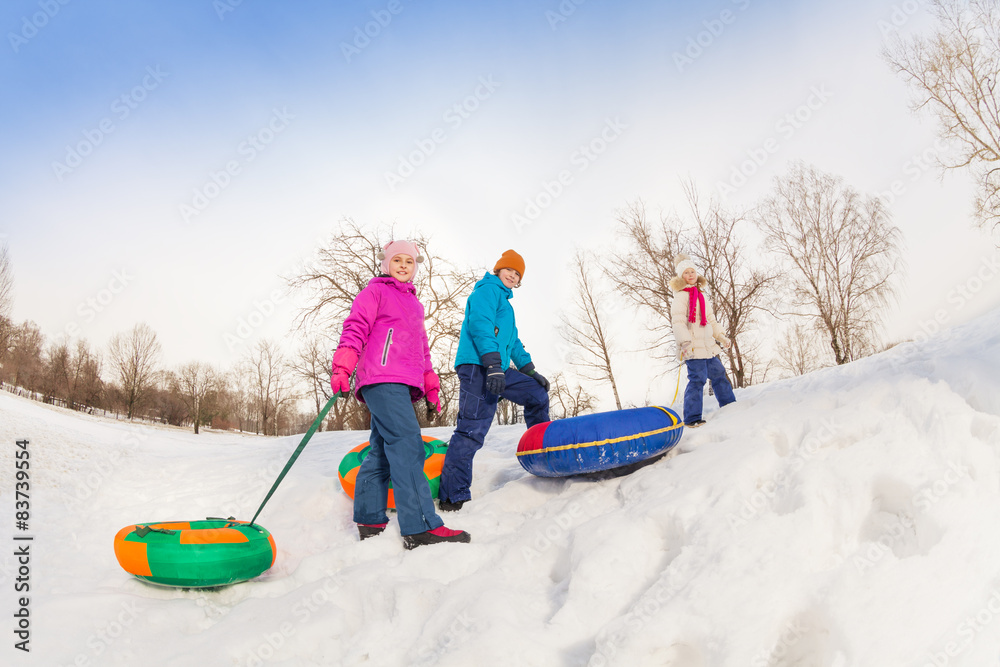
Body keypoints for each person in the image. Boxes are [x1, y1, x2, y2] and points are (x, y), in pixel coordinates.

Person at [331, 240, 470, 549]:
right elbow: (355, 327)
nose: (404, 265)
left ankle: (369, 519)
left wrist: (431, 387)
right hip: (382, 378)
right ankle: (419, 526)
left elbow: (422, 350)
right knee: (408, 445)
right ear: (386, 264)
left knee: (382, 448)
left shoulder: (415, 305)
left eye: (409, 261)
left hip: (401, 383)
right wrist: (343, 366)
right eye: (398, 260)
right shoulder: (375, 293)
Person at [438, 249, 550, 511]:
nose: (513, 275)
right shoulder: (486, 290)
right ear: (499, 269)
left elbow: (513, 343)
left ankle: (543, 453)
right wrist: (492, 365)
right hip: (479, 366)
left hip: (496, 367)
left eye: (517, 273)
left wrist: (531, 371)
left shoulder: (507, 305)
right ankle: (452, 496)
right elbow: (480, 325)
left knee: (537, 394)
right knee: (472, 430)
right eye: (509, 270)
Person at [669, 253, 736, 427]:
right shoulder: (681, 297)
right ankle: (692, 418)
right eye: (686, 273)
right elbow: (678, 322)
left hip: (708, 347)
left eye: (693, 271)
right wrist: (685, 343)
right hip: (692, 348)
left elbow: (711, 320)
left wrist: (721, 336)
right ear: (681, 277)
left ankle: (729, 406)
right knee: (697, 380)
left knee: (719, 375)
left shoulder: (702, 295)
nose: (690, 275)